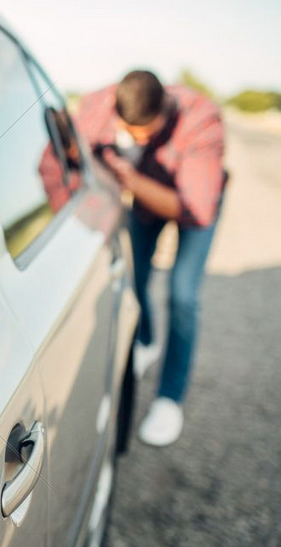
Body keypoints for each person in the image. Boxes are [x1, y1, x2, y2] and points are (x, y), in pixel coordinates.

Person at [75, 70, 226, 447]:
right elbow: (64, 155)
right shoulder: (98, 104)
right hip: (144, 204)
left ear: (166, 110)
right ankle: (145, 341)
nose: (136, 140)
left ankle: (169, 398)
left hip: (193, 200)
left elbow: (196, 211)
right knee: (135, 273)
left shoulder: (201, 120)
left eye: (147, 134)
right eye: (129, 132)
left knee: (182, 294)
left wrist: (131, 180)